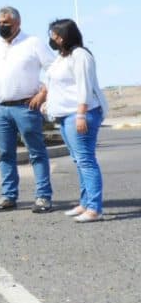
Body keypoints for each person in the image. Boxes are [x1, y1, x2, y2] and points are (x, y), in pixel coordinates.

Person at [0, 6, 55, 213]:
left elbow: (53, 70)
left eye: (6, 23)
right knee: (5, 154)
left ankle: (43, 197)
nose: (1, 26)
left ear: (17, 23)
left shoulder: (33, 43)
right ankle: (9, 196)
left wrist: (43, 94)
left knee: (36, 153)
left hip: (25, 107)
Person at [44, 18, 108, 223]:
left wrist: (81, 114)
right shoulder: (61, 58)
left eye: (55, 35)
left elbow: (84, 87)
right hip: (64, 116)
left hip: (80, 114)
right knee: (78, 161)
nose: (52, 39)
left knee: (86, 160)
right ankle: (85, 202)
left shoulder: (80, 56)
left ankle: (95, 208)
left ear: (64, 37)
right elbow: (56, 85)